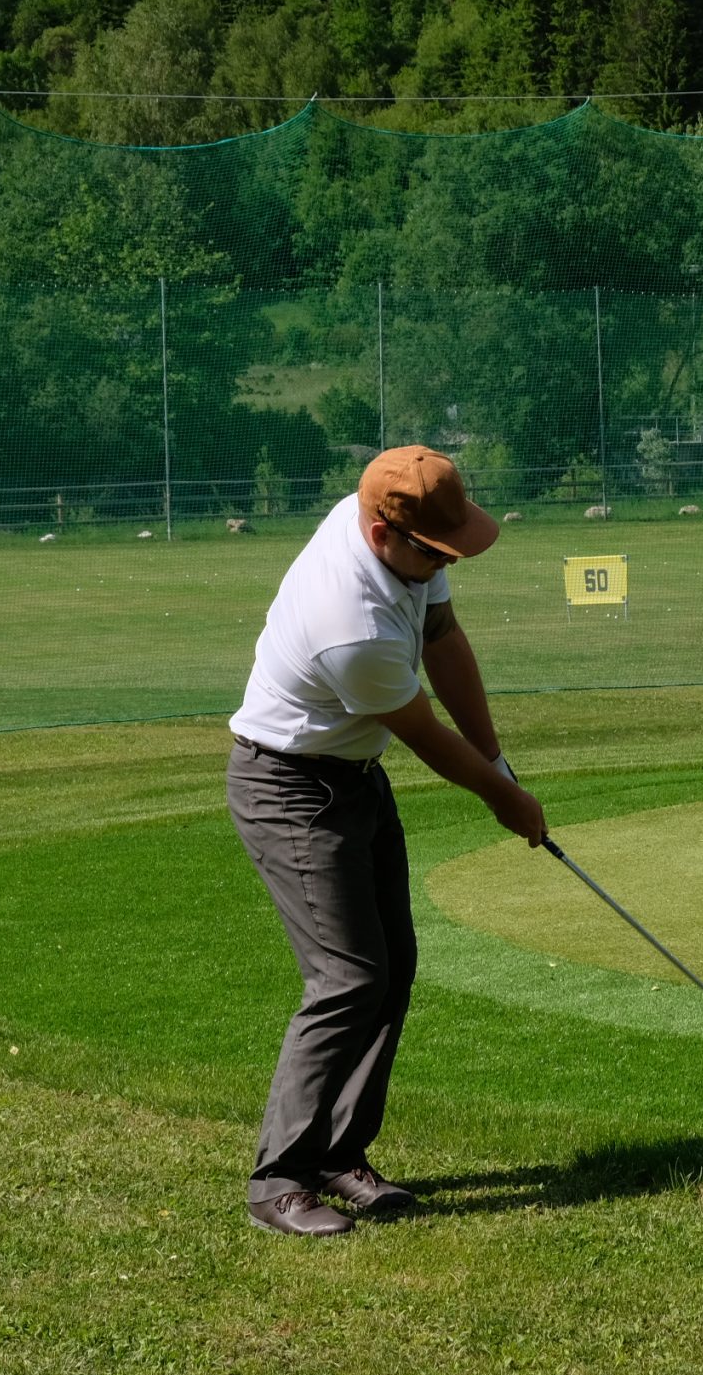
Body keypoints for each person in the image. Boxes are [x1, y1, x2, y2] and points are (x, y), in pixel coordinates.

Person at [226, 445, 545, 1237]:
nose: (445, 563)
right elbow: (426, 734)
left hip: (353, 776)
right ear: (380, 534)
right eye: (435, 552)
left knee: (392, 964)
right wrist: (504, 799)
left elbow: (444, 641)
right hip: (290, 787)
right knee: (346, 977)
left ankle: (340, 1153)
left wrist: (502, 763)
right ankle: (279, 1179)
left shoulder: (403, 534)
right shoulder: (352, 627)